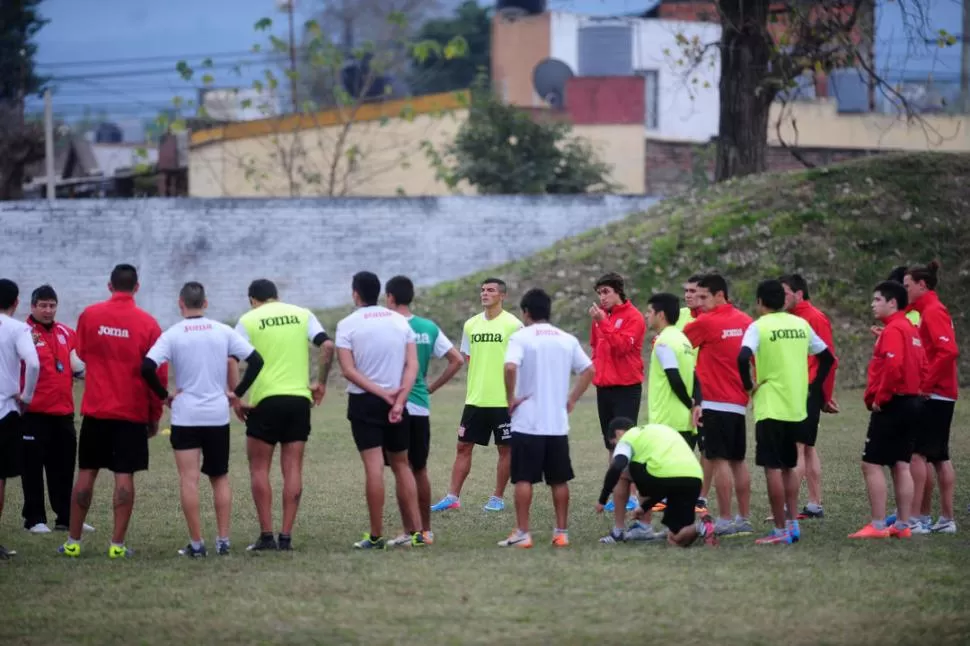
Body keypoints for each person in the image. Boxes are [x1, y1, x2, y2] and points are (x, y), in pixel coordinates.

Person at [141, 282, 265, 557]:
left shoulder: (173, 334)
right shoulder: (222, 330)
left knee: (189, 479)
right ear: (206, 303)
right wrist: (236, 394)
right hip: (216, 415)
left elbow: (147, 366)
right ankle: (223, 541)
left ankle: (197, 544)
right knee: (219, 477)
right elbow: (256, 360)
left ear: (180, 304)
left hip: (186, 415)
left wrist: (165, 396)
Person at [58, 264, 167, 559]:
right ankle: (116, 546)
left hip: (96, 409)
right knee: (124, 476)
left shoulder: (90, 315)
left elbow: (80, 353)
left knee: (86, 473)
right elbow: (158, 372)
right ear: (137, 287)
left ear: (109, 285)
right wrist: (154, 414)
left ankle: (73, 541)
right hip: (130, 413)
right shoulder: (148, 324)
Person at [233, 279, 333, 552]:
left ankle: (267, 537)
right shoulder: (302, 314)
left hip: (264, 402)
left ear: (253, 299)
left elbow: (231, 359)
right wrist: (321, 383)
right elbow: (327, 346)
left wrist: (236, 395)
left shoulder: (249, 319)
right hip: (298, 401)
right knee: (292, 469)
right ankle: (286, 537)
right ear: (277, 297)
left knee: (259, 469)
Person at [737, 279, 834, 545]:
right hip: (797, 405)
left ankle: (780, 530)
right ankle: (792, 525)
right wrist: (815, 387)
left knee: (773, 469)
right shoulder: (800, 325)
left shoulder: (758, 326)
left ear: (760, 302)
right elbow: (827, 357)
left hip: (771, 407)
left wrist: (749, 387)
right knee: (791, 467)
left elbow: (742, 356)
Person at [498, 288, 594, 548]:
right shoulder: (567, 339)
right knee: (559, 479)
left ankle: (523, 532)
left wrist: (510, 398)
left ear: (526, 312)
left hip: (527, 422)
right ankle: (561, 532)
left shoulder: (521, 338)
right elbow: (588, 370)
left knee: (523, 478)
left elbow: (509, 366)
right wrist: (572, 398)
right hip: (556, 424)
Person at [335, 271, 421, 550]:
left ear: (355, 293)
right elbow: (412, 366)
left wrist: (380, 393)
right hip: (398, 400)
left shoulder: (347, 324)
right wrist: (398, 399)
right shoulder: (399, 321)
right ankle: (418, 532)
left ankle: (375, 536)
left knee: (374, 467)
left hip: (365, 402)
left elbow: (348, 370)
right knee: (401, 465)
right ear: (380, 293)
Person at [383, 276, 464, 546]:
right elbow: (456, 359)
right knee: (419, 468)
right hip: (420, 404)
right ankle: (426, 531)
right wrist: (431, 387)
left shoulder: (388, 324)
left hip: (394, 403)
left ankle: (409, 531)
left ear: (391, 298)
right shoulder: (427, 327)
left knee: (400, 468)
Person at [431, 278, 522, 513]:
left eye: (490, 290)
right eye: (482, 290)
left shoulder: (514, 325)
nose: (484, 293)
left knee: (505, 449)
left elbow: (521, 362)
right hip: (475, 399)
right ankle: (452, 497)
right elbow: (469, 358)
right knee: (462, 446)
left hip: (503, 400)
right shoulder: (471, 325)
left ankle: (497, 498)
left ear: (502, 295)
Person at [849, 281, 923, 539]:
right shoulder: (910, 329)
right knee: (901, 464)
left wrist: (881, 397)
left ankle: (878, 525)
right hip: (913, 401)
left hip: (893, 402)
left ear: (893, 303)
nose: (873, 304)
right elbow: (921, 365)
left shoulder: (894, 330)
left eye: (878, 299)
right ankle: (903, 526)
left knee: (871, 463)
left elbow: (893, 368)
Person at [684, 273, 754, 536]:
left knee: (719, 460)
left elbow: (677, 346)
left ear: (720, 295)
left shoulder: (705, 322)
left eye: (703, 297)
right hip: (738, 402)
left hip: (713, 401)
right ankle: (743, 518)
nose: (697, 302)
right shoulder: (746, 321)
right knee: (738, 460)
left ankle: (725, 519)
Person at [20, 285, 92, 535]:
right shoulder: (22, 333)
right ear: (32, 306)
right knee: (32, 468)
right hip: (32, 414)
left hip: (63, 413)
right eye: (43, 305)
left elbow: (76, 366)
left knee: (63, 468)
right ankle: (34, 518)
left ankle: (66, 517)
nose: (48, 310)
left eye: (52, 305)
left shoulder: (66, 332)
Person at [596, 420, 717, 548]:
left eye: (614, 445)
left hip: (666, 476)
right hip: (694, 477)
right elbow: (666, 483)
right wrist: (644, 507)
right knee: (675, 539)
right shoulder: (658, 430)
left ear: (616, 435)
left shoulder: (626, 439)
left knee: (622, 473)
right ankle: (702, 527)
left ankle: (619, 532)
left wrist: (602, 499)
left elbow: (617, 467)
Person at [903, 261, 960, 534]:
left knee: (918, 455)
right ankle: (945, 519)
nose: (905, 291)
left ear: (922, 285)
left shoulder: (934, 311)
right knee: (939, 457)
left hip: (936, 393)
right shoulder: (926, 309)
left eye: (907, 286)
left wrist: (926, 383)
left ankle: (918, 518)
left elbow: (947, 351)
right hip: (942, 392)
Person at [780, 274, 839, 520]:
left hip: (807, 391)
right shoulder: (788, 319)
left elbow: (829, 359)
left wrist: (824, 394)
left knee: (798, 447)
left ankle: (788, 508)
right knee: (808, 447)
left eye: (785, 293)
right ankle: (814, 505)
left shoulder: (814, 317)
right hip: (794, 390)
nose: (781, 298)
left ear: (799, 294)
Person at [587, 272, 645, 512]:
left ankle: (633, 495)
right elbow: (595, 347)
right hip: (604, 389)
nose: (602, 297)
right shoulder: (600, 319)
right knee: (611, 444)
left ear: (619, 292)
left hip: (626, 388)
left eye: (606, 292)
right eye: (599, 293)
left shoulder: (634, 317)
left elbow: (621, 347)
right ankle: (618, 494)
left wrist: (604, 323)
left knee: (625, 443)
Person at [0, 279, 41, 559]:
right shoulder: (18, 328)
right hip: (4, 411)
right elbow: (34, 363)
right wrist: (26, 396)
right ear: (16, 303)